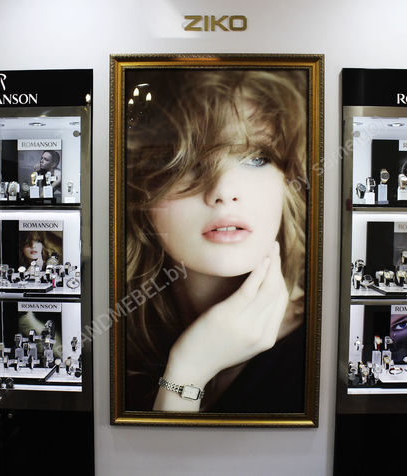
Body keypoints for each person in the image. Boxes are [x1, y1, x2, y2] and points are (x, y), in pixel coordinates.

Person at [124, 69, 308, 413]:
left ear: (287, 182)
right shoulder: (106, 336)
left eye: (256, 158)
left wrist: (188, 371)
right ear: (142, 192)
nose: (223, 191)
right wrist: (189, 370)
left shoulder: (323, 348)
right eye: (190, 162)